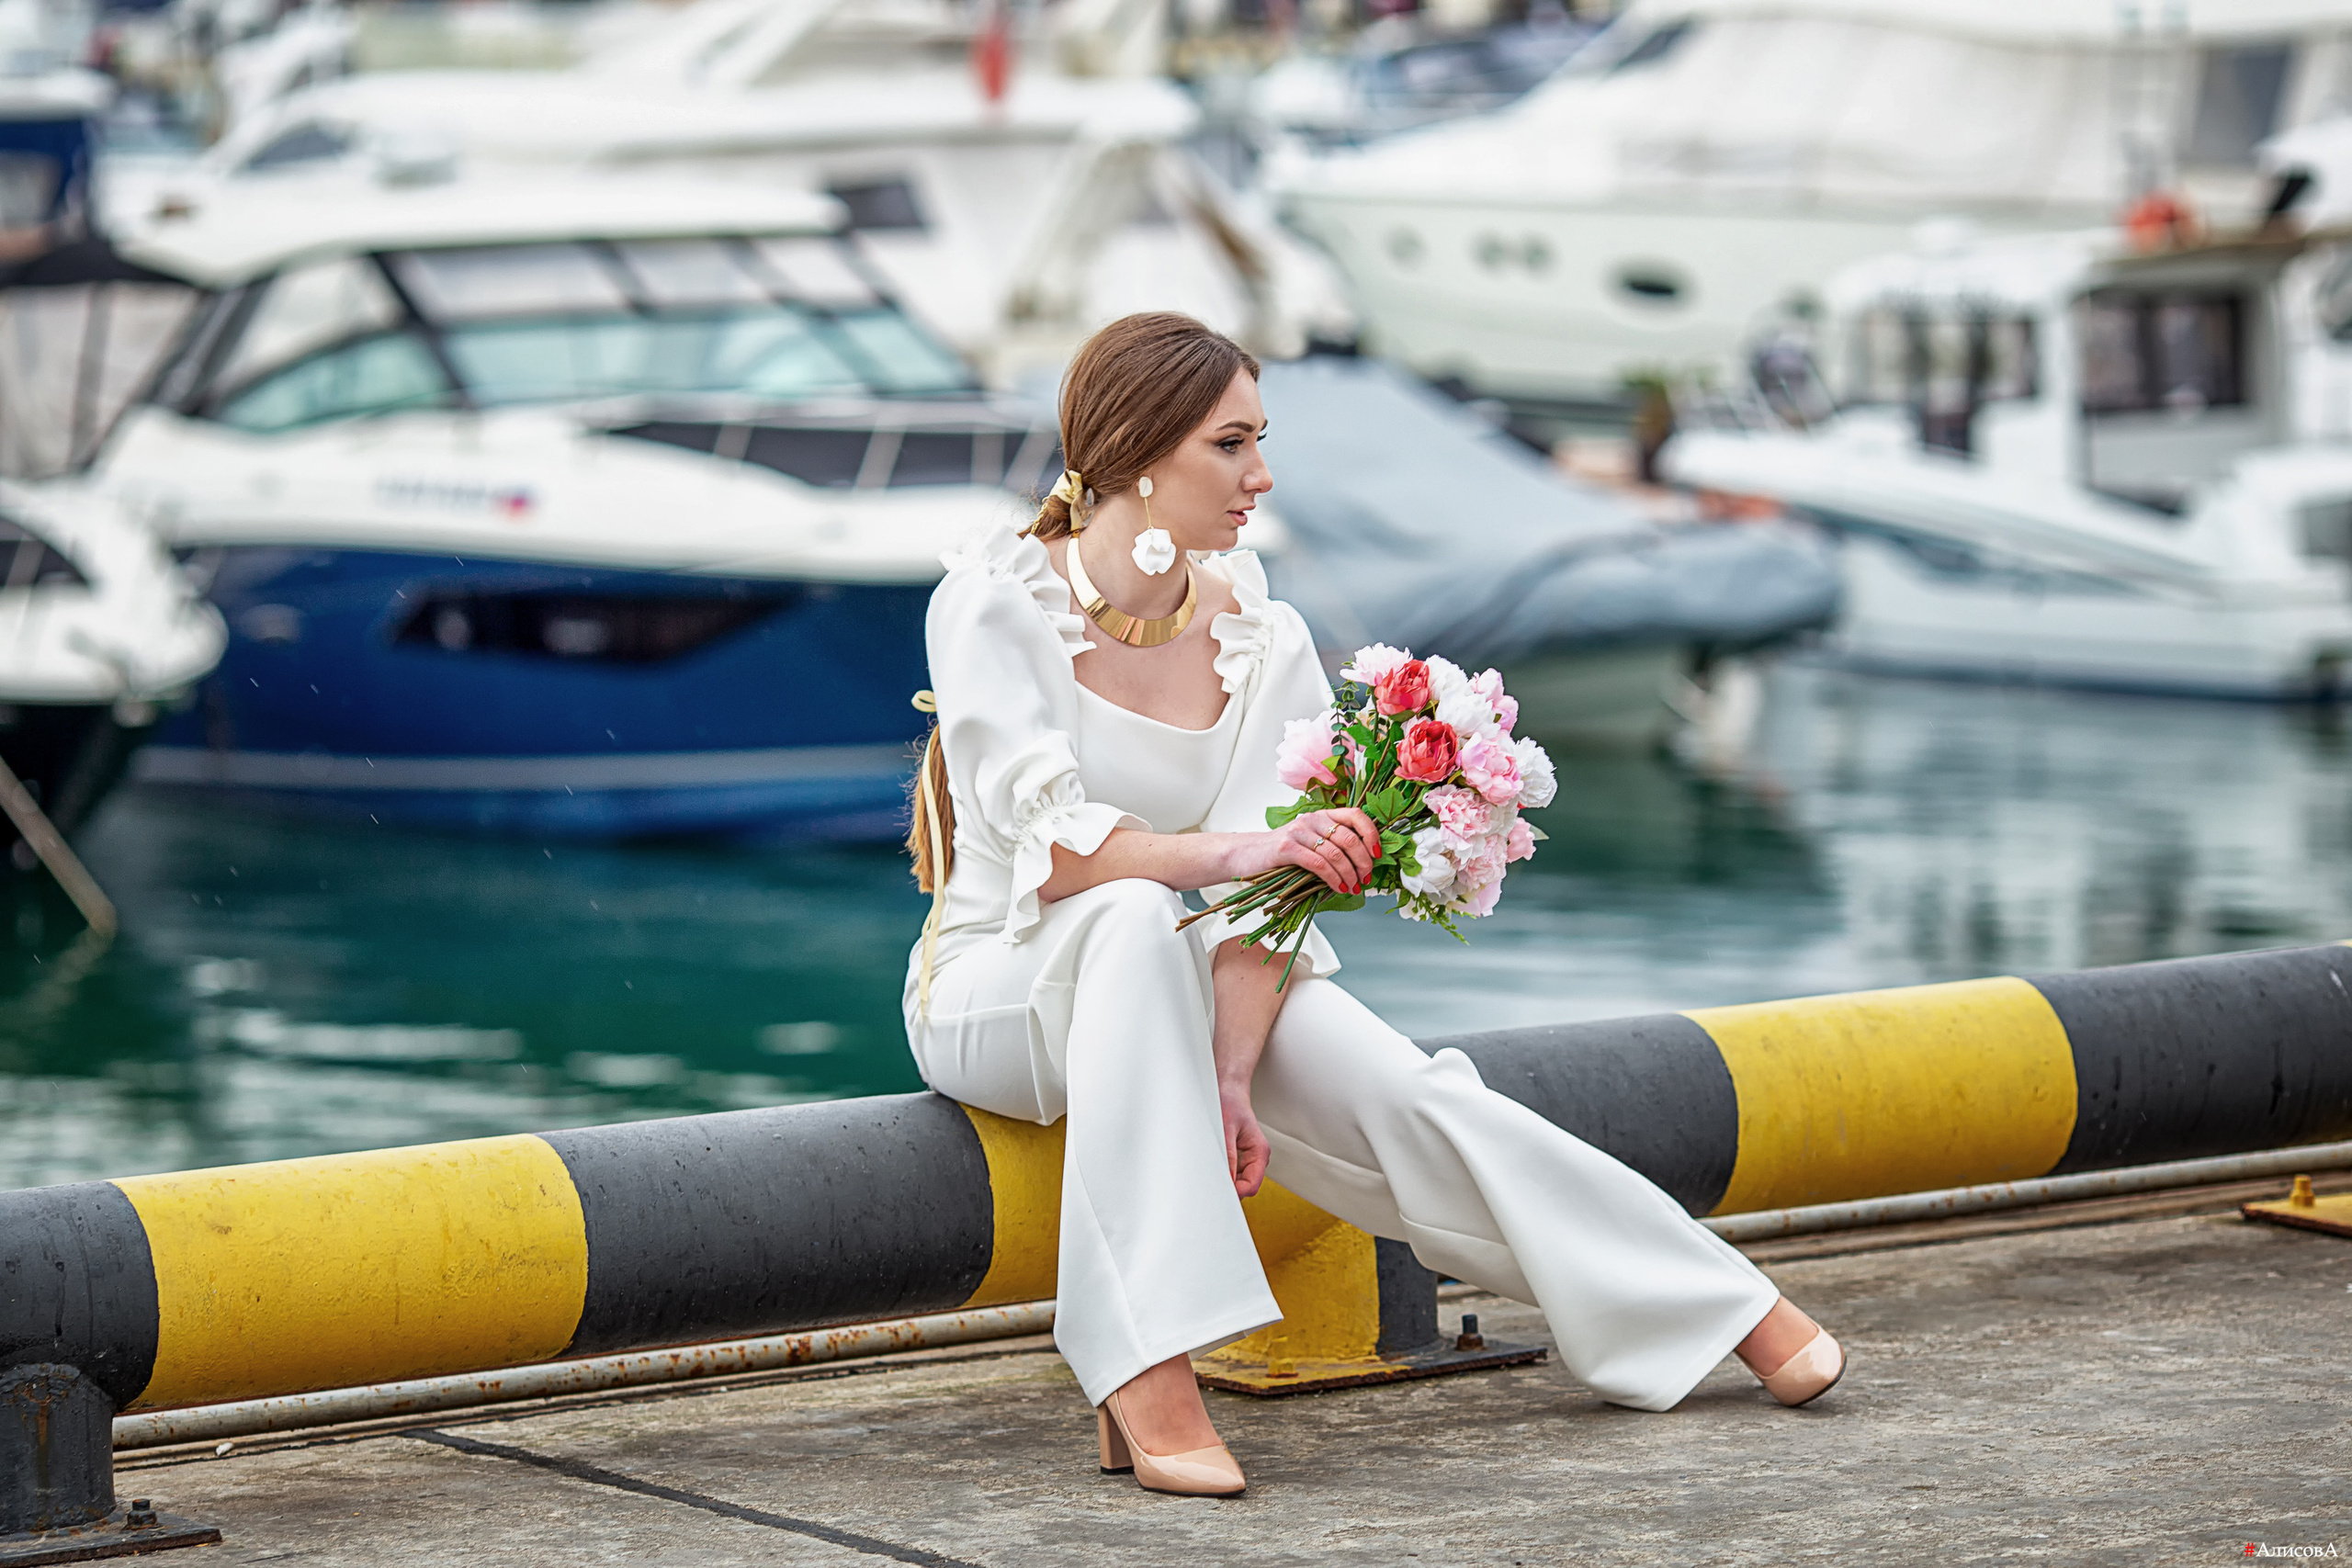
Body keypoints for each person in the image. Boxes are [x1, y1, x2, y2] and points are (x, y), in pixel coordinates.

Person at [902, 312, 1843, 1498]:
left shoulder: (1264, 634)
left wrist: (1232, 1078)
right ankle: (1144, 1368)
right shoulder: (996, 600)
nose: (1262, 475)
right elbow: (1063, 859)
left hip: (1195, 977)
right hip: (1003, 980)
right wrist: (1253, 849)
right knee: (1131, 917)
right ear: (1140, 453)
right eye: (1230, 445)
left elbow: (1266, 909)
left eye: (1259, 440)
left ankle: (1715, 1306)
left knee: (1404, 1091)